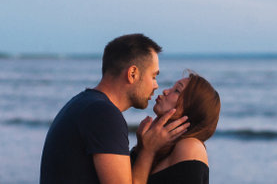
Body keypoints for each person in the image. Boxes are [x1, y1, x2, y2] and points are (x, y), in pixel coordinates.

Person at [40, 34, 189, 184]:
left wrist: (139, 150)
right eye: (153, 76)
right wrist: (148, 151)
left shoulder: (83, 104)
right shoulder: (104, 115)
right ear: (132, 74)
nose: (156, 86)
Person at [131, 72, 221, 184]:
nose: (165, 91)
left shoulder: (190, 147)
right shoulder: (161, 147)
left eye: (177, 90)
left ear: (191, 109)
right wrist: (140, 148)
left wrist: (147, 152)